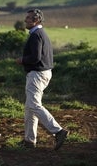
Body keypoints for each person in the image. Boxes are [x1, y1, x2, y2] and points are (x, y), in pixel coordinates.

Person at [16, 9, 68, 150]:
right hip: (42, 73)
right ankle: (29, 140)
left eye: (29, 18)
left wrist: (22, 60)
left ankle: (58, 131)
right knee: (29, 107)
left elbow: (35, 58)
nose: (26, 20)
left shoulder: (36, 35)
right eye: (26, 17)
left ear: (37, 20)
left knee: (33, 105)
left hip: (37, 74)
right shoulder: (40, 34)